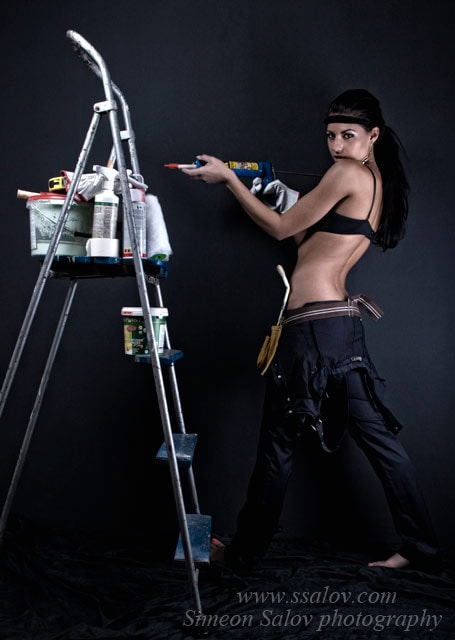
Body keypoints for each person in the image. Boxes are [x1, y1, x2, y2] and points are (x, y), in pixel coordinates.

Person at [182, 89, 440, 572]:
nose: (337, 146)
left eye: (348, 135)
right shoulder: (374, 182)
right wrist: (279, 196)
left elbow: (281, 231)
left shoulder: (346, 173)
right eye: (331, 136)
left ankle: (240, 556)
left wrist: (230, 180)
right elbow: (308, 246)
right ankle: (420, 547)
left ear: (373, 135)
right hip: (337, 324)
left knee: (277, 446)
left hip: (313, 329)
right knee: (377, 439)